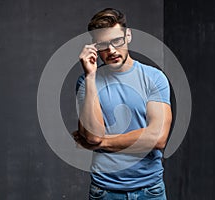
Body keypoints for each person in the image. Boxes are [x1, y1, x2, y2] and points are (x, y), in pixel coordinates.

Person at [73, 8, 172, 200]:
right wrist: (91, 76)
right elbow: (93, 137)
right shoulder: (86, 82)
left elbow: (158, 138)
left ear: (128, 36)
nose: (111, 50)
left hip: (150, 190)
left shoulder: (154, 78)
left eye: (117, 41)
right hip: (105, 191)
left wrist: (105, 142)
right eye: (103, 44)